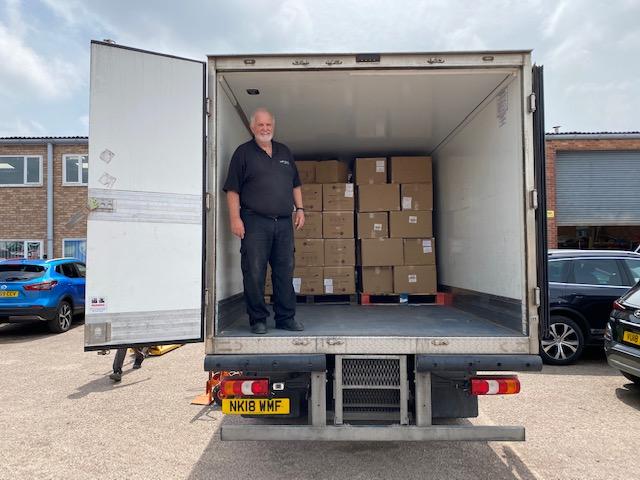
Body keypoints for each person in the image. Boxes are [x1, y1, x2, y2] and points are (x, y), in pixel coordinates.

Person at [223, 108, 305, 334]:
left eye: (268, 124)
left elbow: (296, 184)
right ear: (252, 127)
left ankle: (286, 318)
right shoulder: (243, 153)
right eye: (260, 125)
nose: (265, 128)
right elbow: (232, 190)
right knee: (254, 271)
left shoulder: (284, 152)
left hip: (284, 223)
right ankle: (258, 319)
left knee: (284, 271)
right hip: (254, 222)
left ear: (273, 126)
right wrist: (235, 218)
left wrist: (300, 209)